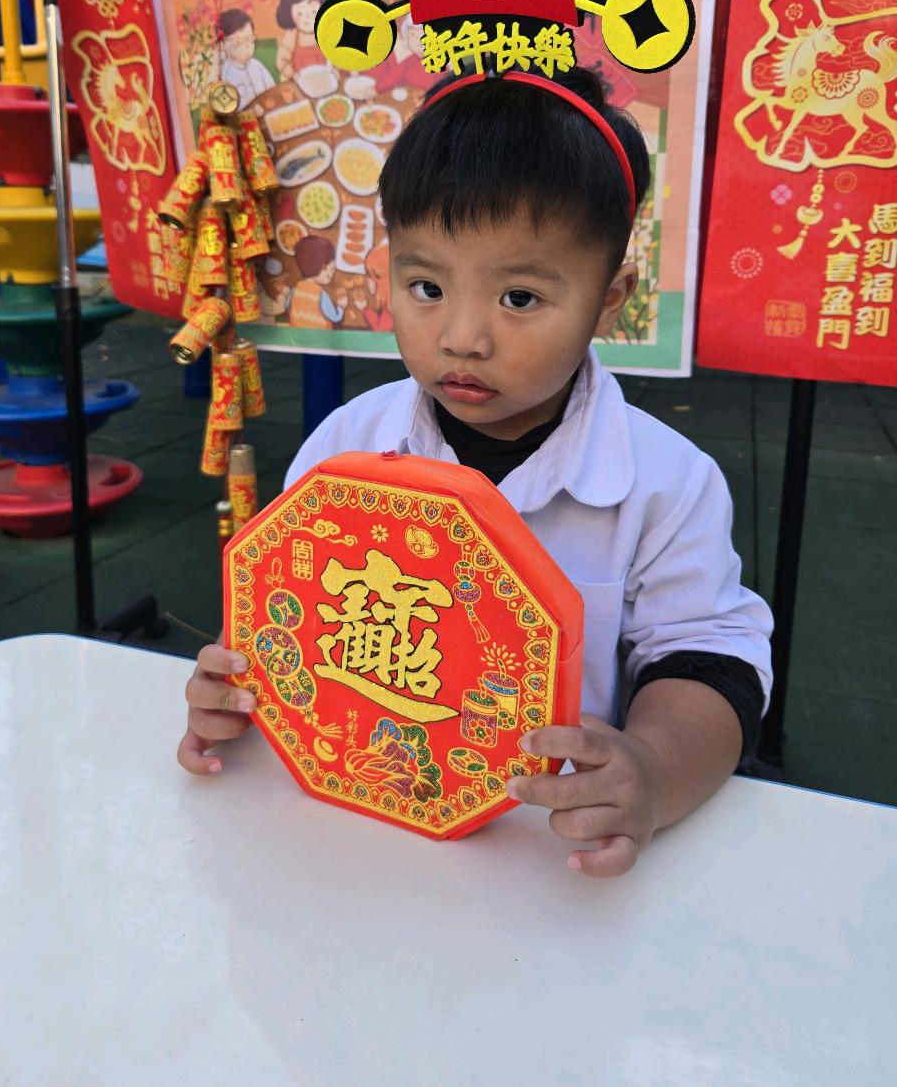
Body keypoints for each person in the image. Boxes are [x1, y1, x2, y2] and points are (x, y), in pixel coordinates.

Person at [179, 66, 773, 877]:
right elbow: (285, 612)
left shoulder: (667, 483)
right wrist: (232, 691)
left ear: (610, 299)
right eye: (425, 285)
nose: (462, 336)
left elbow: (709, 661)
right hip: (351, 837)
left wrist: (655, 770)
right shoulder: (345, 447)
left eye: (519, 298)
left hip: (545, 853)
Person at [286, 234, 347, 329]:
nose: (332, 273)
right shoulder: (320, 294)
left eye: (333, 269)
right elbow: (335, 317)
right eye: (328, 269)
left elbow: (287, 306)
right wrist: (341, 307)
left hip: (297, 334)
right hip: (320, 336)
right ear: (314, 268)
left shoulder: (295, 289)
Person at [217, 8, 275, 109]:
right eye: (238, 42)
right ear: (222, 44)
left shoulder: (257, 65)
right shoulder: (225, 75)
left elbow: (272, 89)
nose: (247, 45)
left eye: (250, 39)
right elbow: (229, 107)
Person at [275, 0, 328, 81]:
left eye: (314, 12)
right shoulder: (291, 35)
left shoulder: (326, 33)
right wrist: (293, 75)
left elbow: (336, 57)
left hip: (323, 81)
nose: (307, 18)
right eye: (300, 14)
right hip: (298, 82)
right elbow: (281, 61)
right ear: (290, 15)